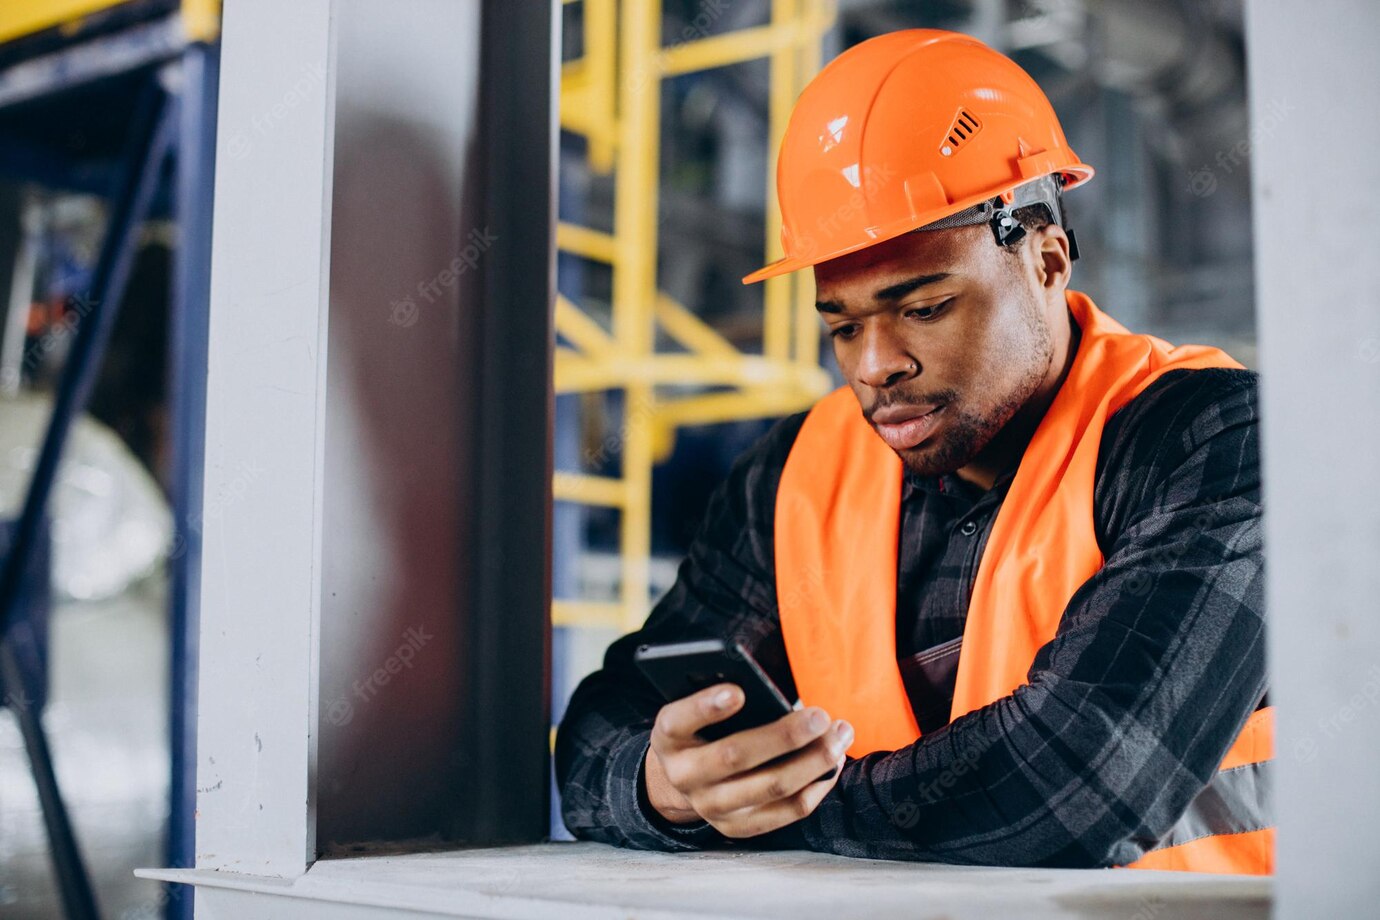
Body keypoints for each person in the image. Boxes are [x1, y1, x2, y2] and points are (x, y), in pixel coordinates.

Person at [555, 28, 1271, 873]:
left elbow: (1075, 789)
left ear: (1046, 260)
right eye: (844, 325)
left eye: (925, 307)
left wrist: (772, 814)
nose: (875, 364)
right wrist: (664, 787)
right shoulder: (791, 477)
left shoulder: (1212, 442)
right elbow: (603, 727)